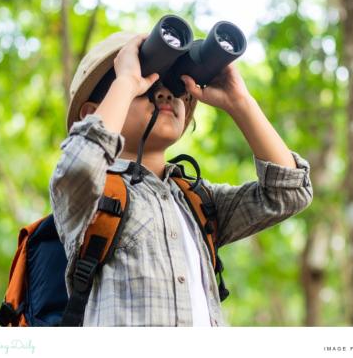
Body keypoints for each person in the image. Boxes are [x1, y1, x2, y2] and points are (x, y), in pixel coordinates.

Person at [49, 31, 313, 326]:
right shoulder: (91, 197)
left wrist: (240, 102)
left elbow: (288, 192)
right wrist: (126, 80)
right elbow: (79, 165)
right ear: (91, 114)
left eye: (173, 85)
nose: (164, 93)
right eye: (145, 83)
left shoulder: (196, 202)